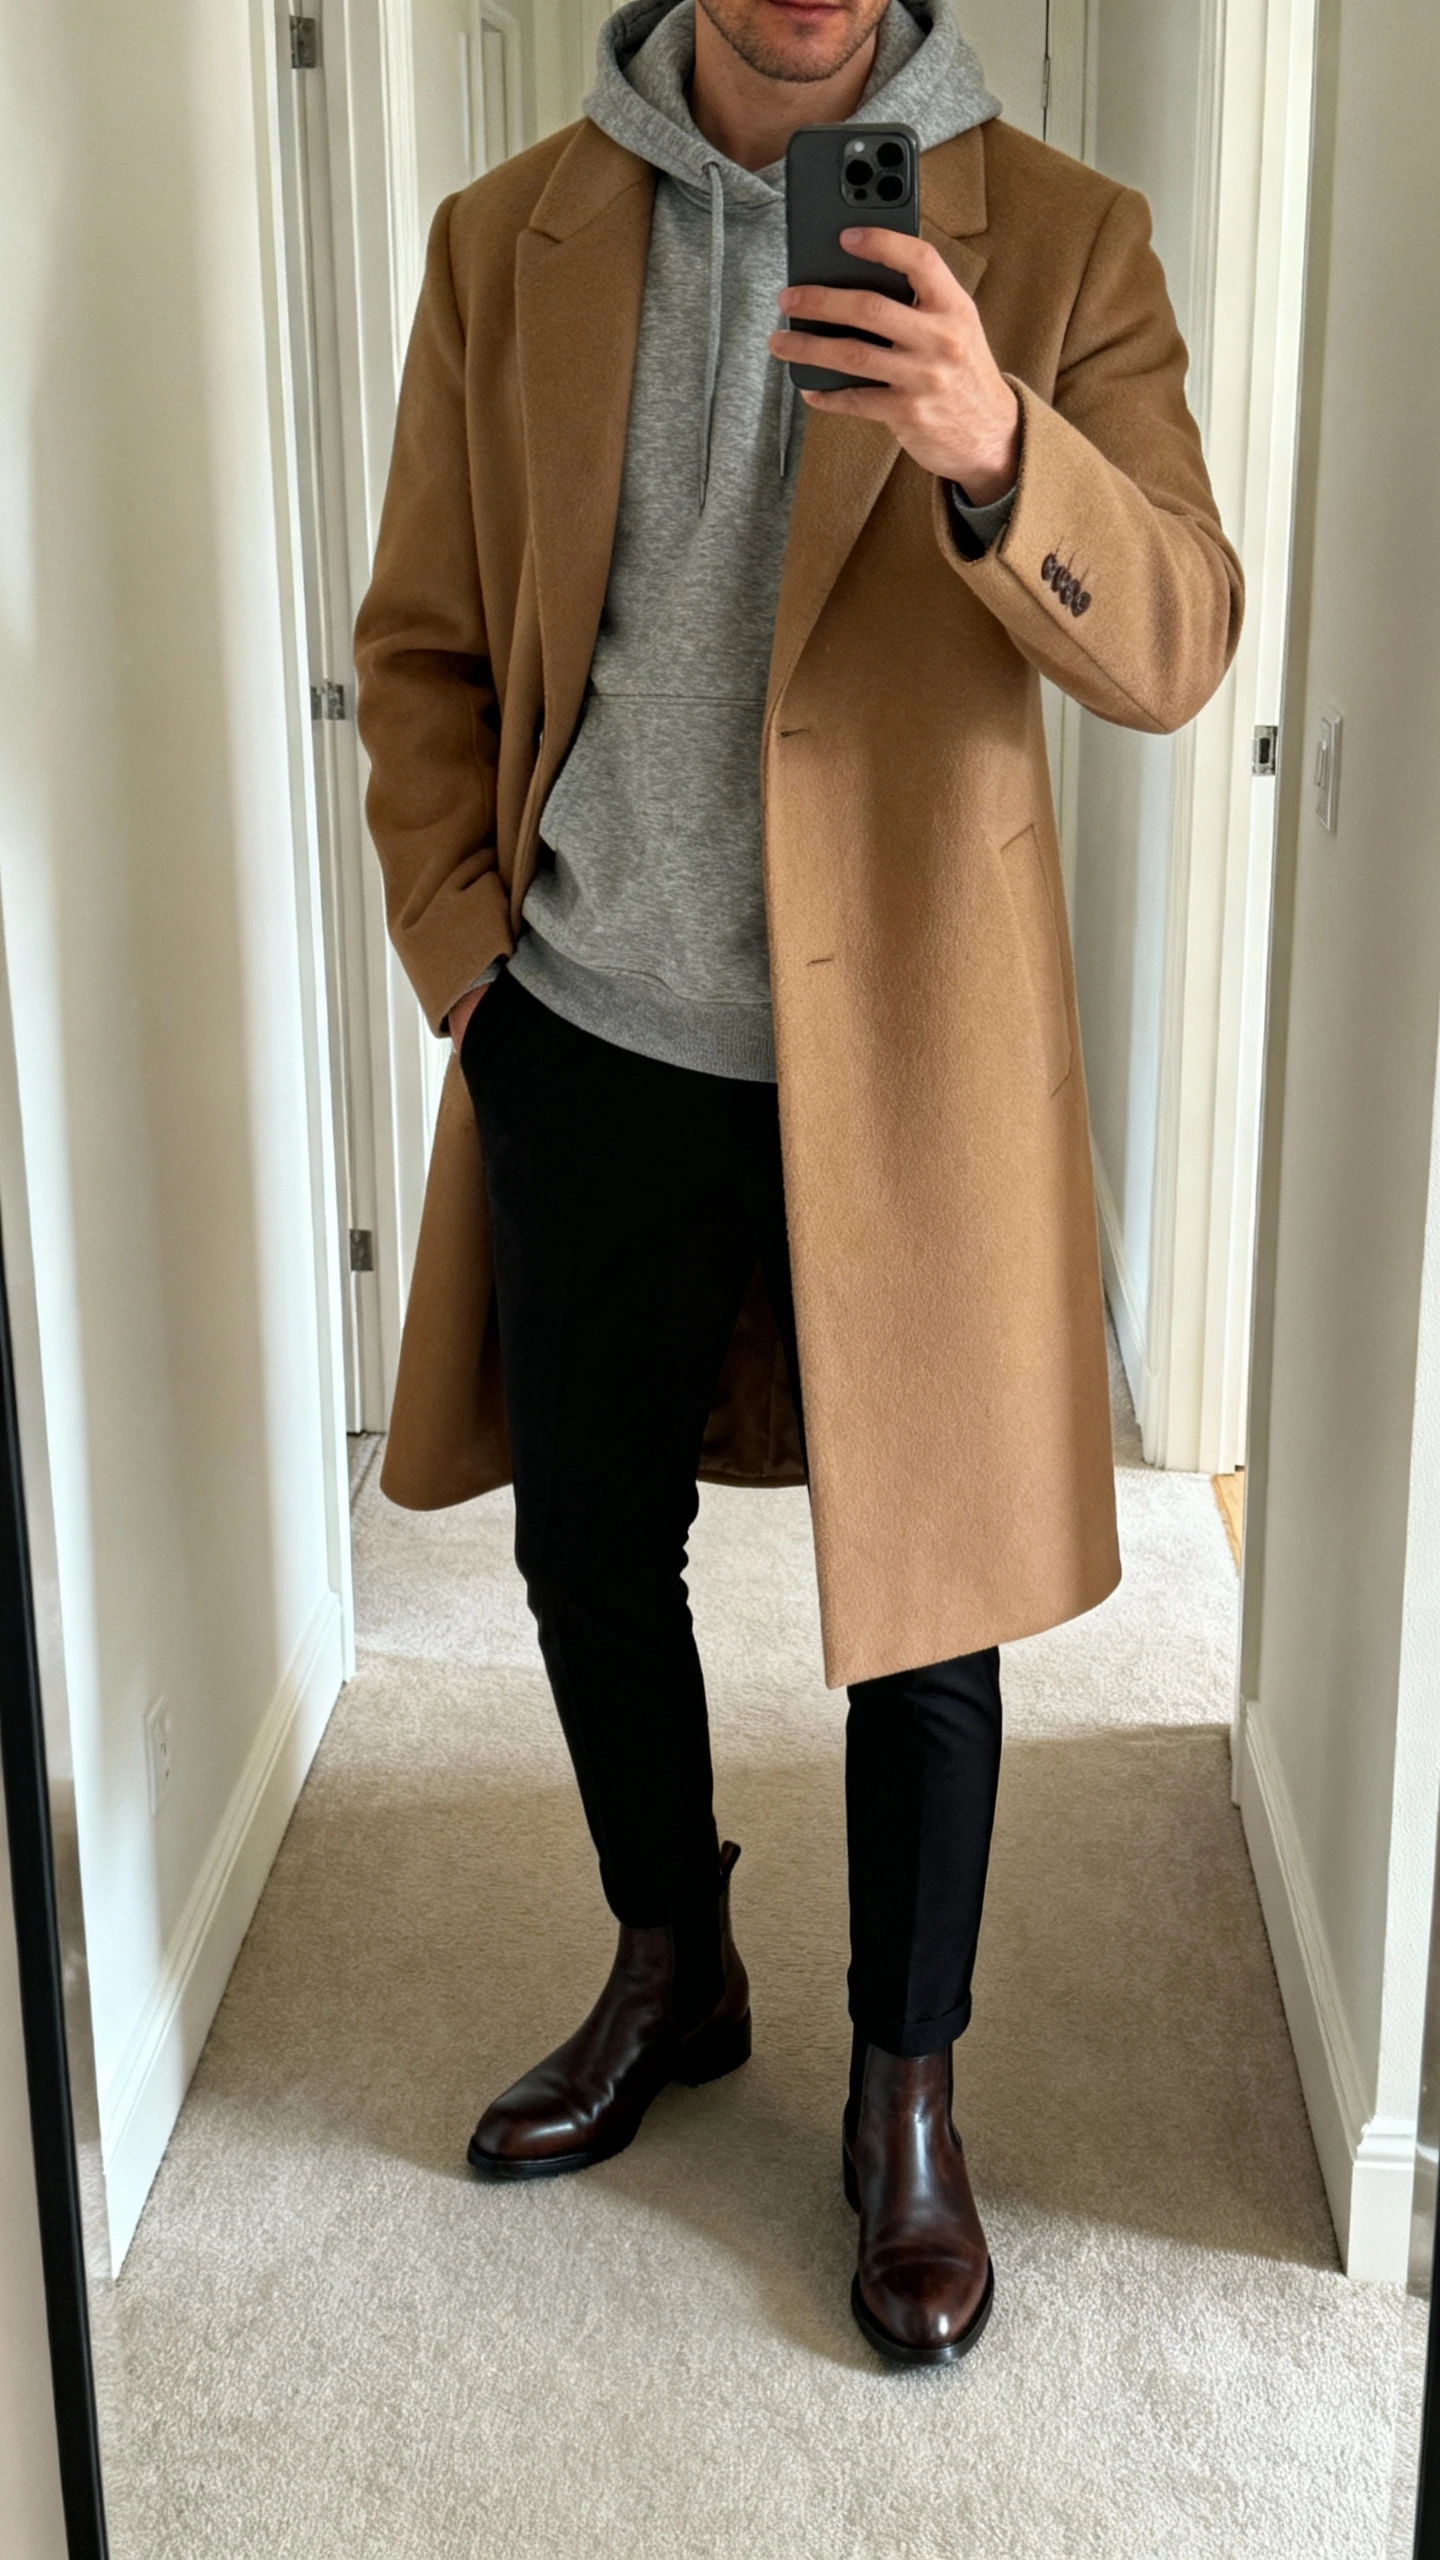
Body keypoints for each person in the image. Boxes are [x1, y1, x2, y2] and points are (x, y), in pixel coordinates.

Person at [354, 0, 1242, 2366]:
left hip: (911, 1057)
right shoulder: (501, 243)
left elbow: (1180, 634)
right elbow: (421, 644)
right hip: (592, 1031)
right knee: (581, 1541)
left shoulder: (1061, 242)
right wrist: (475, 969)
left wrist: (991, 443)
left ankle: (907, 2088)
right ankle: (677, 1953)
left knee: (921, 1602)